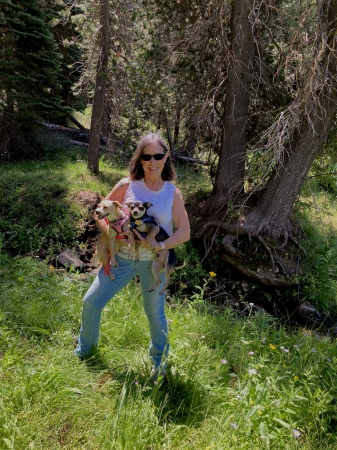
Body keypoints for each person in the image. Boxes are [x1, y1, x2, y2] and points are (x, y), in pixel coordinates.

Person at [74, 132, 190, 382]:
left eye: (158, 155)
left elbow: (185, 232)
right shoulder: (126, 185)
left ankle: (159, 364)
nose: (152, 162)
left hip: (153, 264)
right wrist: (113, 235)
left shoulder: (173, 194)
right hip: (122, 259)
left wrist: (161, 245)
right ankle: (85, 353)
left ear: (166, 157)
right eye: (147, 156)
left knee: (155, 313)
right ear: (140, 158)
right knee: (91, 303)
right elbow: (99, 213)